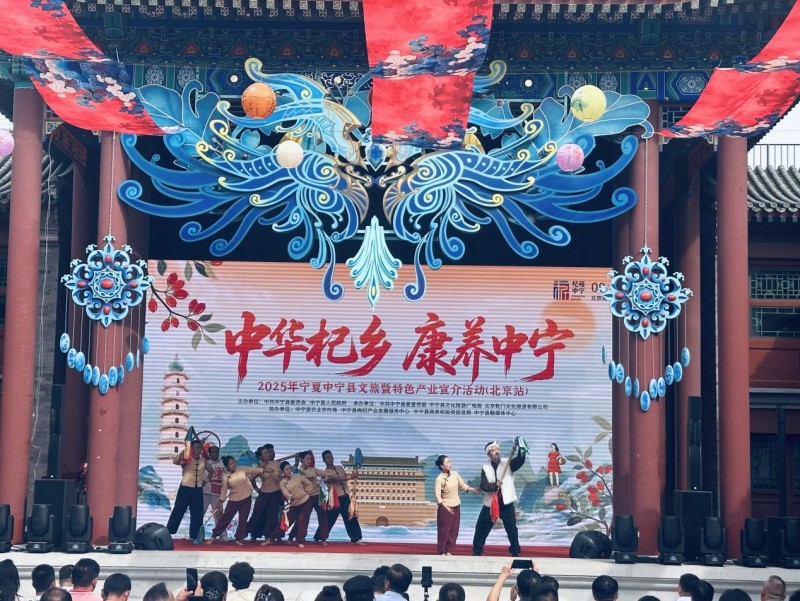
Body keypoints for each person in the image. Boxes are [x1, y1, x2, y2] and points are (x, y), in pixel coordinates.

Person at [472, 440, 527, 557]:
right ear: (489, 454)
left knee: (511, 528)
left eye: (497, 449)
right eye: (493, 450)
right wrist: (494, 485)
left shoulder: (507, 463)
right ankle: (477, 550)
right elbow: (483, 486)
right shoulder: (485, 467)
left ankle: (515, 551)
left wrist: (521, 451)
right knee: (481, 526)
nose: (496, 452)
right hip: (491, 502)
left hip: (505, 502)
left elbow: (519, 461)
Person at [207, 456, 265, 545]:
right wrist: (220, 502)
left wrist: (265, 469)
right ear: (227, 466)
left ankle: (238, 538)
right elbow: (223, 491)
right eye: (230, 464)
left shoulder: (242, 469)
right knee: (225, 519)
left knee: (243, 520)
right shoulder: (226, 477)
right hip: (234, 500)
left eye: (234, 462)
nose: (233, 465)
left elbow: (256, 470)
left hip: (246, 498)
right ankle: (213, 536)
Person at [248, 445, 296, 541]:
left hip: (276, 493)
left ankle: (270, 536)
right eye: (265, 453)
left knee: (273, 516)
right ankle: (253, 535)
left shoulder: (277, 464)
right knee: (258, 514)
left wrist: (285, 492)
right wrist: (256, 488)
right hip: (264, 493)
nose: (268, 454)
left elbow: (287, 474)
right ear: (261, 456)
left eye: (269, 452)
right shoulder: (259, 466)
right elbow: (251, 478)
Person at [434, 454, 479, 555]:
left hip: (456, 506)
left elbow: (462, 485)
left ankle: (449, 550)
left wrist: (473, 489)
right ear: (442, 466)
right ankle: (441, 551)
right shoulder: (439, 479)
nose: (450, 464)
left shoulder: (455, 474)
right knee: (443, 531)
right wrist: (445, 507)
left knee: (454, 530)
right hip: (445, 508)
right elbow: (437, 496)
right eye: (447, 462)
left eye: (450, 462)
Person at [262, 461, 314, 547]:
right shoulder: (282, 483)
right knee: (286, 522)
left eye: (290, 468)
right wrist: (293, 497)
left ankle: (300, 541)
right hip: (295, 504)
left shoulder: (297, 476)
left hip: (306, 502)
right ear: (283, 471)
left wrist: (305, 492)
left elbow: (309, 484)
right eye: (287, 469)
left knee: (302, 520)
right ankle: (272, 538)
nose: (289, 470)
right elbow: (285, 493)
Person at [167, 440, 209, 541]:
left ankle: (194, 536)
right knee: (178, 509)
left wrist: (206, 480)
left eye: (200, 448)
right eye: (196, 448)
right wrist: (184, 451)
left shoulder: (203, 460)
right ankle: (169, 531)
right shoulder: (187, 459)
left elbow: (211, 471)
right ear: (192, 449)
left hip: (197, 490)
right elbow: (175, 461)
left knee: (197, 513)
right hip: (185, 488)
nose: (198, 450)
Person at [320, 450, 363, 545]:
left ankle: (356, 538)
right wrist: (351, 476)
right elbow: (334, 479)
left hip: (345, 497)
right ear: (324, 460)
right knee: (329, 519)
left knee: (351, 517)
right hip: (334, 500)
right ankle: (319, 537)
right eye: (327, 458)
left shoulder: (339, 467)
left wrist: (353, 475)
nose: (330, 459)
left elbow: (344, 478)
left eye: (331, 457)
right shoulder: (325, 472)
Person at [293, 451, 328, 545]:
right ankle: (297, 538)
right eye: (307, 459)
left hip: (317, 495)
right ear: (302, 460)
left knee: (323, 516)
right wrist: (296, 459)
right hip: (306, 497)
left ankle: (323, 538)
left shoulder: (313, 469)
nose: (309, 460)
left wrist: (322, 481)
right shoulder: (297, 470)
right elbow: (294, 473)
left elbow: (325, 474)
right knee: (303, 518)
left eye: (310, 459)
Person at [203, 446, 225, 536]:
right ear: (209, 453)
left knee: (219, 515)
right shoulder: (205, 462)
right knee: (200, 514)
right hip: (205, 492)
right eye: (213, 452)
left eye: (216, 452)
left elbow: (227, 476)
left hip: (217, 492)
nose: (215, 454)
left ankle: (223, 535)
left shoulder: (223, 463)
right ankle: (195, 534)